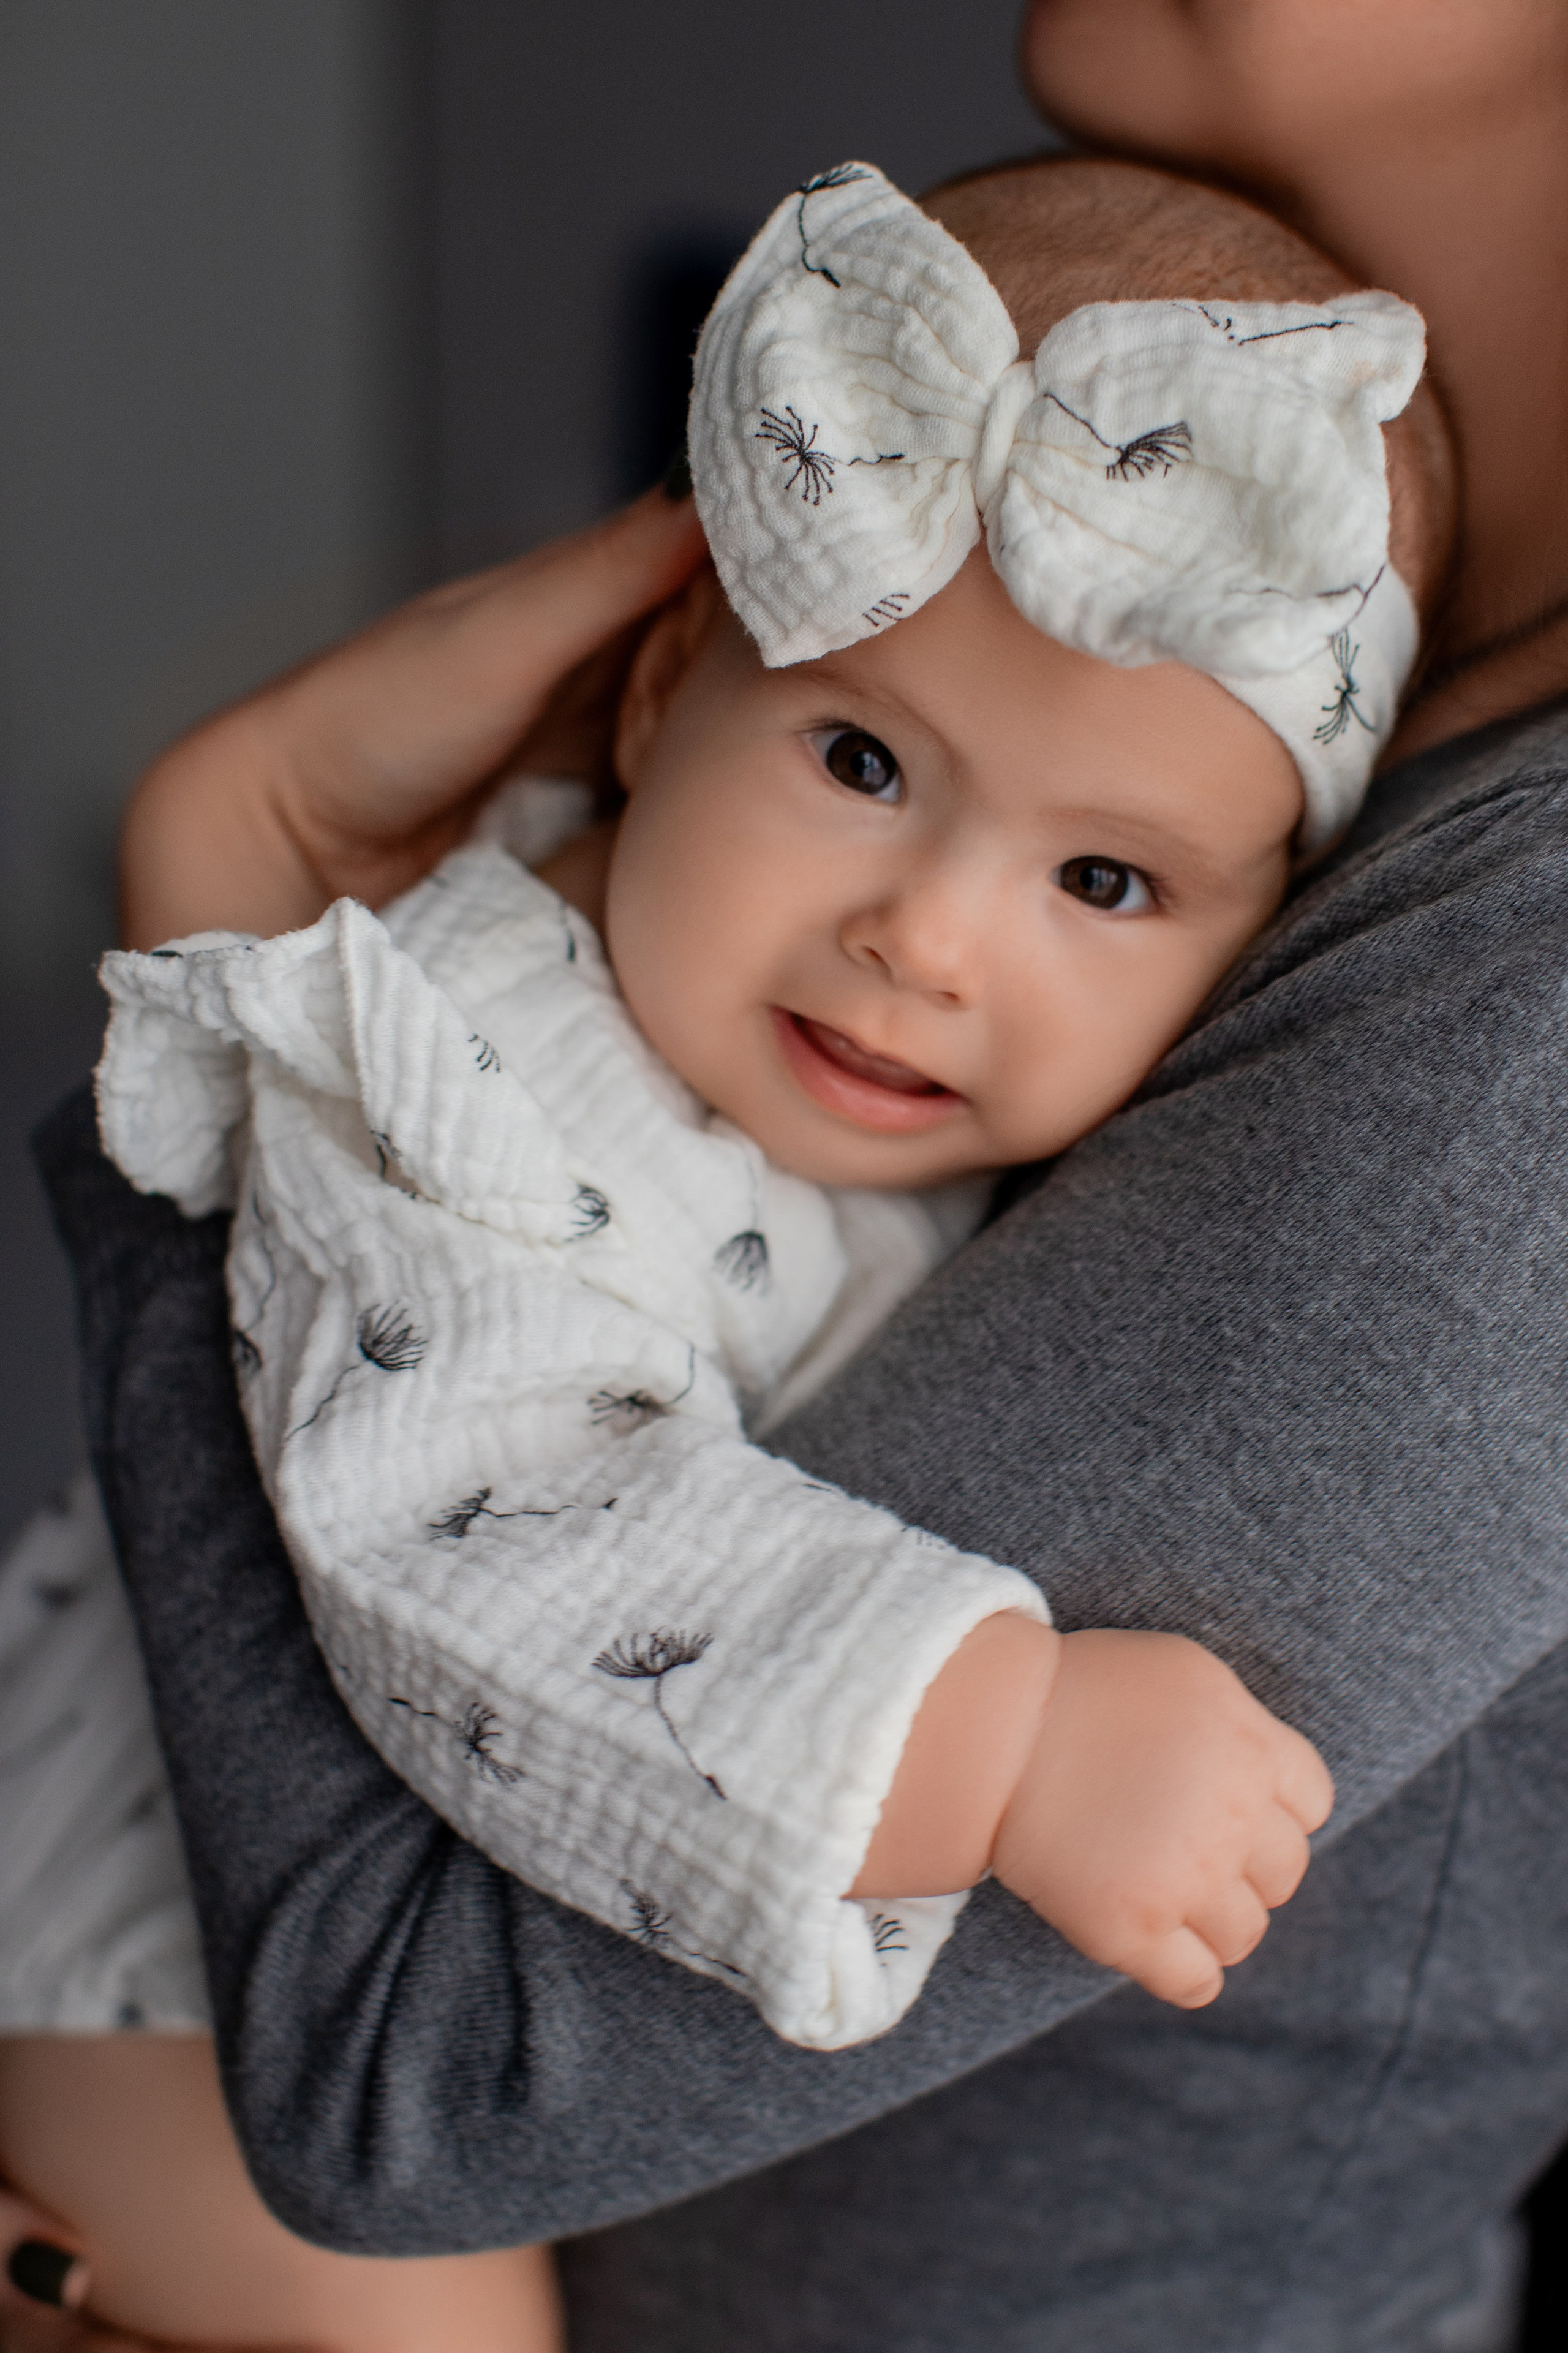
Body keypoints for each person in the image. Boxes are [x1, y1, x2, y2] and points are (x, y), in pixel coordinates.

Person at [6, 2, 1568, 2341]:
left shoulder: (1503, 956)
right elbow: (501, 1521)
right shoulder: (486, 1057)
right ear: (657, 684)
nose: (928, 941)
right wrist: (995, 1733)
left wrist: (229, 920)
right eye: (856, 754)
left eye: (1110, 889)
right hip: (158, 2000)